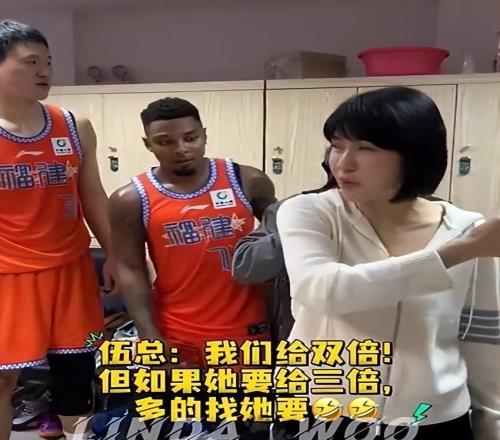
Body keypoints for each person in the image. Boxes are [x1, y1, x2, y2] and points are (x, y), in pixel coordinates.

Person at [274, 87, 500, 440]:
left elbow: (481, 336)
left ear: (414, 155)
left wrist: (490, 424)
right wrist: (454, 253)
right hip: (324, 413)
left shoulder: (466, 229)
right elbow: (323, 290)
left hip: (432, 418)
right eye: (336, 146)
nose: (343, 163)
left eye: (366, 148)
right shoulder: (311, 212)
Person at [109, 97, 276, 434]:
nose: (181, 149)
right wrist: (149, 337)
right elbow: (130, 268)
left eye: (190, 138)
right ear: (148, 144)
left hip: (247, 329)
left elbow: (281, 238)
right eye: (165, 142)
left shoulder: (248, 180)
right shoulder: (131, 199)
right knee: (183, 423)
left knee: (251, 424)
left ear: (204, 135)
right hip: (178, 330)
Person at [0, 20, 114, 440]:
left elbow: (94, 196)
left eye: (48, 61)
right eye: (31, 62)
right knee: (3, 380)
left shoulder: (73, 125)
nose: (45, 71)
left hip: (71, 269)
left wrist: (116, 255)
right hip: (7, 274)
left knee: (77, 376)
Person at [232, 150, 334, 345]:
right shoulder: (293, 209)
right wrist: (300, 229)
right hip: (301, 339)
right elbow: (245, 266)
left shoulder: (393, 215)